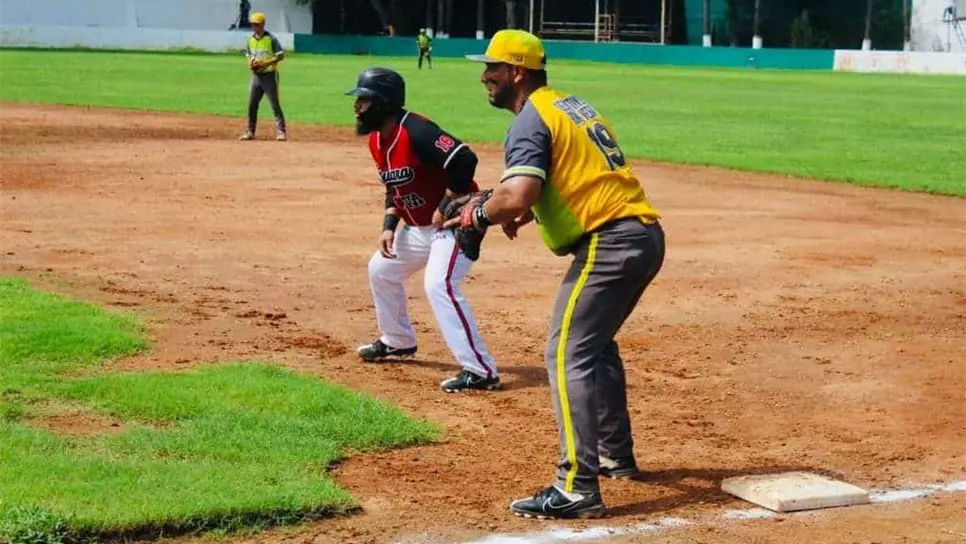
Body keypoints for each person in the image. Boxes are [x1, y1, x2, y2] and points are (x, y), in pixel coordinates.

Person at [460, 29, 666, 518]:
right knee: (595, 346)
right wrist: (524, 211)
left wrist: (479, 215)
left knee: (566, 353)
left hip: (610, 243)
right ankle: (616, 455)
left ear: (517, 72)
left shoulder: (530, 121)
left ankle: (576, 486)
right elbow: (578, 174)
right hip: (641, 235)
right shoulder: (567, 105)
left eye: (491, 67)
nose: (484, 76)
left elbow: (519, 192)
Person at [346, 67, 501, 393]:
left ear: (383, 103)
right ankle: (397, 340)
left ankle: (481, 371)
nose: (357, 107)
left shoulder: (417, 130)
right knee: (381, 269)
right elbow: (395, 185)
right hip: (417, 229)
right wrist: (389, 225)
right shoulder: (377, 140)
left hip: (453, 224)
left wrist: (445, 204)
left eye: (363, 100)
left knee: (439, 284)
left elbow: (464, 159)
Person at [239, 12, 287, 142]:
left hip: (269, 76)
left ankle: (281, 132)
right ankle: (250, 131)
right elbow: (249, 55)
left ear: (262, 25)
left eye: (257, 25)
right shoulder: (251, 40)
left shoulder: (271, 39)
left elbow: (280, 55)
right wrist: (251, 64)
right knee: (252, 105)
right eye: (253, 25)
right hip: (256, 76)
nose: (254, 27)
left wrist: (264, 63)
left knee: (274, 104)